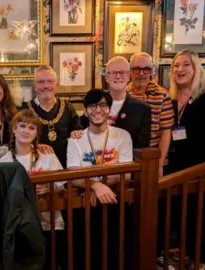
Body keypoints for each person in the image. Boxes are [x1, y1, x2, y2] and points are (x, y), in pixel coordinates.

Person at [158, 50, 205, 270]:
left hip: (203, 169)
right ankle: (186, 256)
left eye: (185, 65)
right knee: (180, 215)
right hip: (178, 168)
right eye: (176, 65)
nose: (179, 70)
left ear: (196, 68)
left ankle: (201, 261)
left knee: (200, 217)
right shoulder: (173, 98)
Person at [67, 89, 133, 269]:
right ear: (86, 110)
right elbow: (73, 174)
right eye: (93, 105)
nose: (98, 110)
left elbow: (126, 173)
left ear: (109, 109)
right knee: (86, 255)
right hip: (85, 202)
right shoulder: (75, 140)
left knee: (116, 254)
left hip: (115, 199)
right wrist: (95, 186)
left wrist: (100, 186)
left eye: (103, 105)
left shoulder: (122, 135)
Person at [0, 109, 67, 269]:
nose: (26, 131)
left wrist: (50, 189)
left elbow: (63, 188)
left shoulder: (48, 156)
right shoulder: (2, 163)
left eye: (31, 128)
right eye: (22, 126)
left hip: (50, 225)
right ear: (14, 128)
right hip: (19, 230)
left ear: (36, 133)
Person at [74, 56, 152, 149]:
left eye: (122, 72)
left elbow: (142, 149)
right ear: (106, 77)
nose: (118, 76)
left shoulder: (142, 109)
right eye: (113, 72)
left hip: (127, 162)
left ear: (129, 76)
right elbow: (80, 132)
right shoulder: (92, 103)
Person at [23, 65, 81, 168]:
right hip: (37, 169)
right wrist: (33, 146)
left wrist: (76, 134)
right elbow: (17, 141)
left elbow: (78, 133)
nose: (46, 86)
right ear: (35, 86)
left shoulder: (68, 108)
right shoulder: (24, 110)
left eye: (50, 82)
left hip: (66, 168)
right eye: (41, 82)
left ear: (57, 85)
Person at [126, 52, 174, 175]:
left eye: (146, 69)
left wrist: (159, 164)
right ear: (130, 71)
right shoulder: (123, 94)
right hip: (126, 160)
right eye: (137, 69)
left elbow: (166, 132)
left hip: (153, 160)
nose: (141, 73)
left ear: (151, 71)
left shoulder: (162, 95)